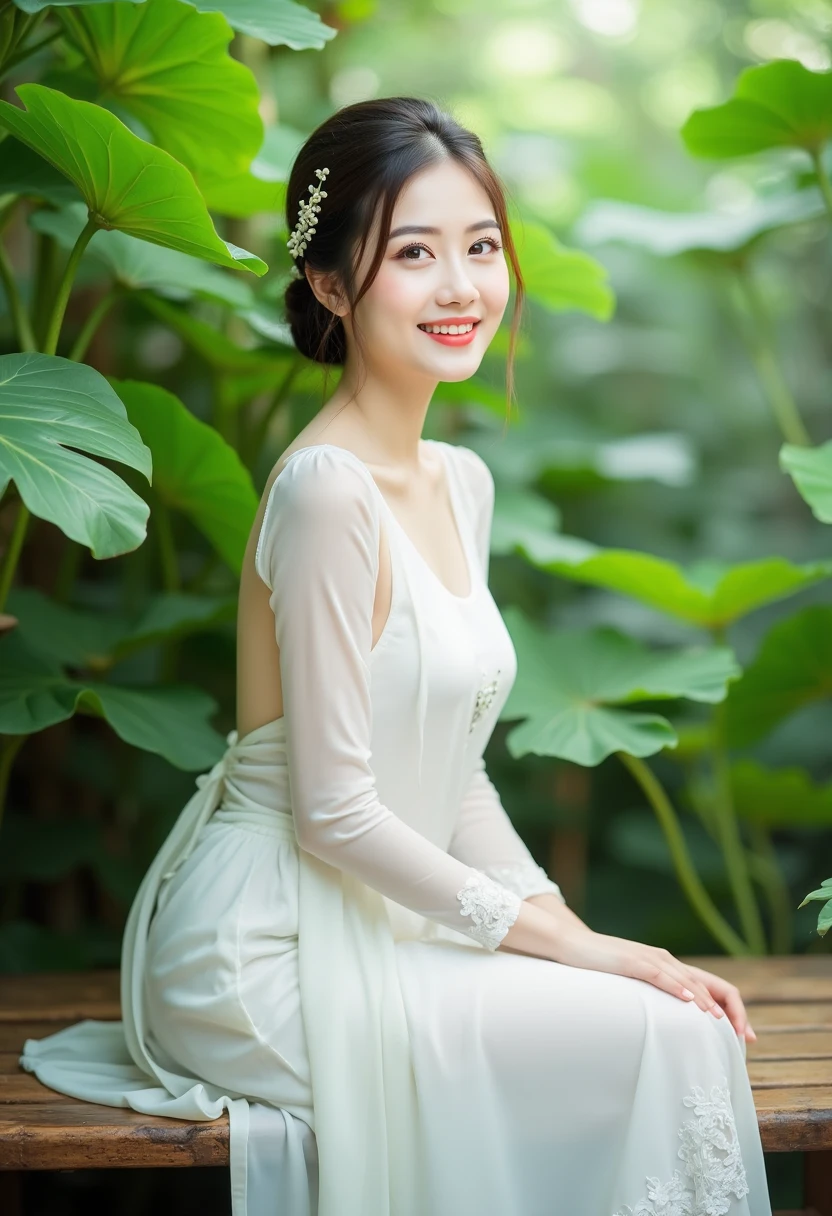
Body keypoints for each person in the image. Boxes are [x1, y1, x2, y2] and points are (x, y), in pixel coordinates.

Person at [21, 97, 773, 1216]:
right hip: (267, 944)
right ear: (330, 284)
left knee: (671, 1022)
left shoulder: (459, 485)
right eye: (413, 253)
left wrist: (574, 932)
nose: (461, 286)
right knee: (657, 1036)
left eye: (480, 247)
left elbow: (456, 769)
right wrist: (590, 957)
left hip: (390, 912)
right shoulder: (327, 492)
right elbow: (333, 812)